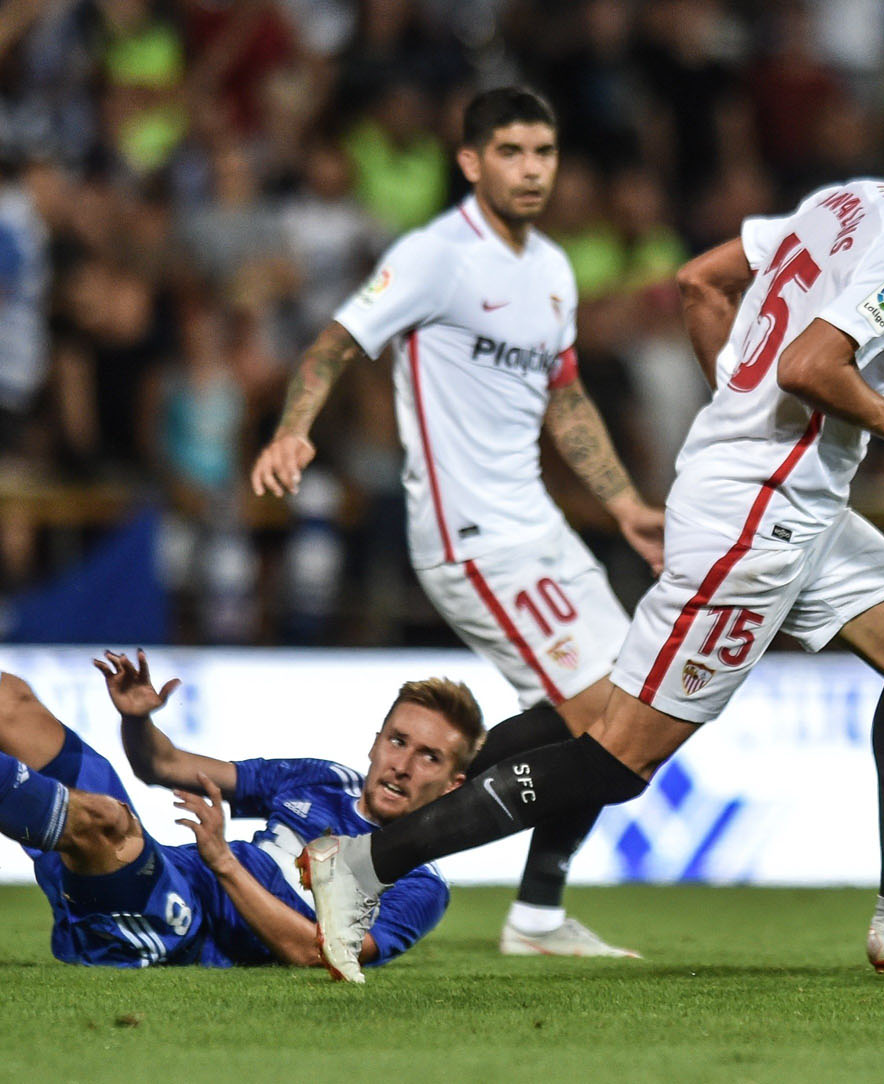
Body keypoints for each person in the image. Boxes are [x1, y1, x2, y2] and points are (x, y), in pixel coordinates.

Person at [297, 70, 884, 982]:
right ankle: (363, 863)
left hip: (789, 498)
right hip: (759, 513)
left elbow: (700, 281)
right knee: (615, 756)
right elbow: (811, 365)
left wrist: (737, 396)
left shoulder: (848, 205)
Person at [0, 462, 482, 977]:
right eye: (398, 740)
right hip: (169, 873)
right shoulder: (323, 780)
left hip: (177, 928)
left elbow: (318, 952)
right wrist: (139, 724)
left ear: (452, 786)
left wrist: (226, 863)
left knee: (108, 821)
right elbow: (164, 768)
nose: (402, 762)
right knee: (16, 703)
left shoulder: (418, 884)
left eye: (428, 758)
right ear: (375, 739)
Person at [250, 87, 662, 957]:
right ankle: (367, 859)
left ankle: (535, 911)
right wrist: (293, 431)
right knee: (606, 728)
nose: (531, 170)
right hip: (471, 539)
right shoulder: (437, 258)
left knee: (633, 720)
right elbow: (331, 344)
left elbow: (566, 394)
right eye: (510, 152)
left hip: (541, 529)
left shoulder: (550, 269)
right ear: (472, 162)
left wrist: (624, 503)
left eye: (544, 153)